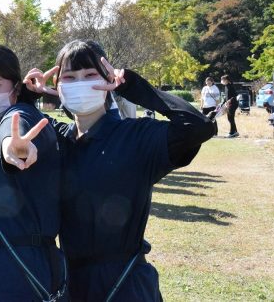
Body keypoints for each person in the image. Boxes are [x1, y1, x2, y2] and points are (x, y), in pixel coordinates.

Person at [24, 39, 215, 302]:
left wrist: (132, 86)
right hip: (69, 283)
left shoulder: (136, 137)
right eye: (69, 77)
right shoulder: (57, 138)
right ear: (57, 87)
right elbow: (14, 123)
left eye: (90, 75)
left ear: (109, 80)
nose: (80, 83)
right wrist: (28, 96)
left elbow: (198, 127)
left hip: (126, 283)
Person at [0, 44, 66, 301]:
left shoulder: (20, 115)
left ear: (15, 89)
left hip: (19, 280)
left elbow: (15, 128)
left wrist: (14, 148)